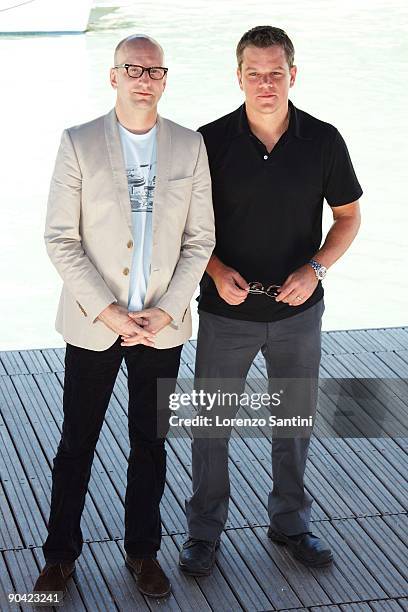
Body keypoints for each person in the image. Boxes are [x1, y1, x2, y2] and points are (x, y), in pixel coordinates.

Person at [33, 34, 215, 599]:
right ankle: (59, 557)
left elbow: (200, 238)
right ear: (113, 77)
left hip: (161, 329)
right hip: (95, 323)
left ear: (165, 79)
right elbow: (60, 239)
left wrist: (167, 310)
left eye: (155, 71)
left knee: (150, 444)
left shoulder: (189, 146)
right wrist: (107, 309)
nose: (144, 79)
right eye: (133, 69)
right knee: (76, 442)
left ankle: (143, 553)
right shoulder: (79, 142)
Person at [179, 25, 362, 576]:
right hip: (224, 312)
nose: (265, 83)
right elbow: (186, 225)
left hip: (298, 314)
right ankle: (204, 533)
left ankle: (290, 524)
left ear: (292, 75)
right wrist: (215, 268)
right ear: (238, 77)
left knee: (294, 422)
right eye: (254, 74)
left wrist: (316, 269)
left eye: (275, 73)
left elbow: (348, 217)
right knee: (211, 427)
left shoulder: (324, 139)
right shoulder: (206, 142)